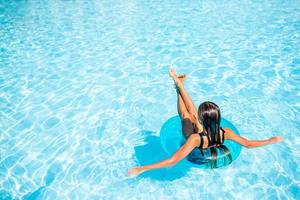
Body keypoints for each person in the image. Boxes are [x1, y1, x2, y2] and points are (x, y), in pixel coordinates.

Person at [128, 68, 283, 176]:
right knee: (193, 114)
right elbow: (248, 144)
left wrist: (142, 169)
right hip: (209, 138)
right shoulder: (225, 132)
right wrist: (271, 140)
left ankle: (179, 86)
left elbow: (173, 160)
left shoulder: (194, 138)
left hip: (197, 152)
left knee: (185, 116)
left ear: (204, 119)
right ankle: (180, 85)